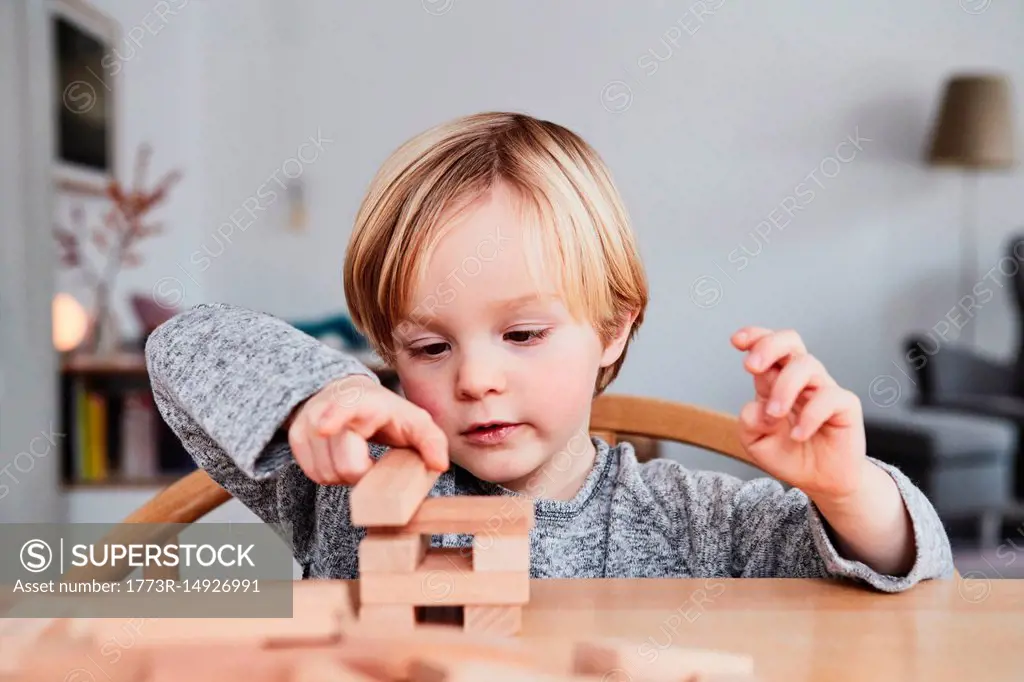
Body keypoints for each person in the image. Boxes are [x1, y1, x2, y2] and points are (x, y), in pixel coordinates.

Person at [145, 111, 954, 590]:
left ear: (613, 328)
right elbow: (183, 345)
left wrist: (850, 494)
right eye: (428, 346)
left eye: (523, 335)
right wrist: (315, 396)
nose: (477, 379)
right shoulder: (339, 487)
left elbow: (910, 577)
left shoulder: (694, 521)